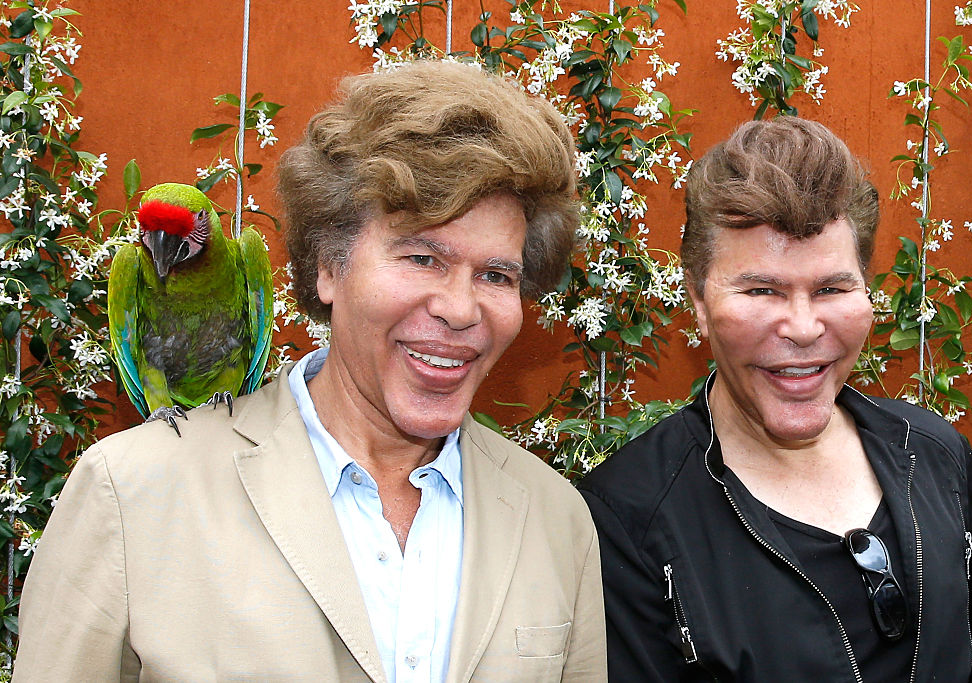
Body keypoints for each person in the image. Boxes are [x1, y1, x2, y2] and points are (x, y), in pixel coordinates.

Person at [14, 60, 606, 682]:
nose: (461, 310)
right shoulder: (131, 494)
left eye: (496, 275)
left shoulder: (556, 520)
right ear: (328, 266)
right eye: (422, 257)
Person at [579, 117, 972, 682]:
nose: (804, 327)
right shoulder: (627, 517)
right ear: (696, 300)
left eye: (832, 289)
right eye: (761, 290)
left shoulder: (934, 453)